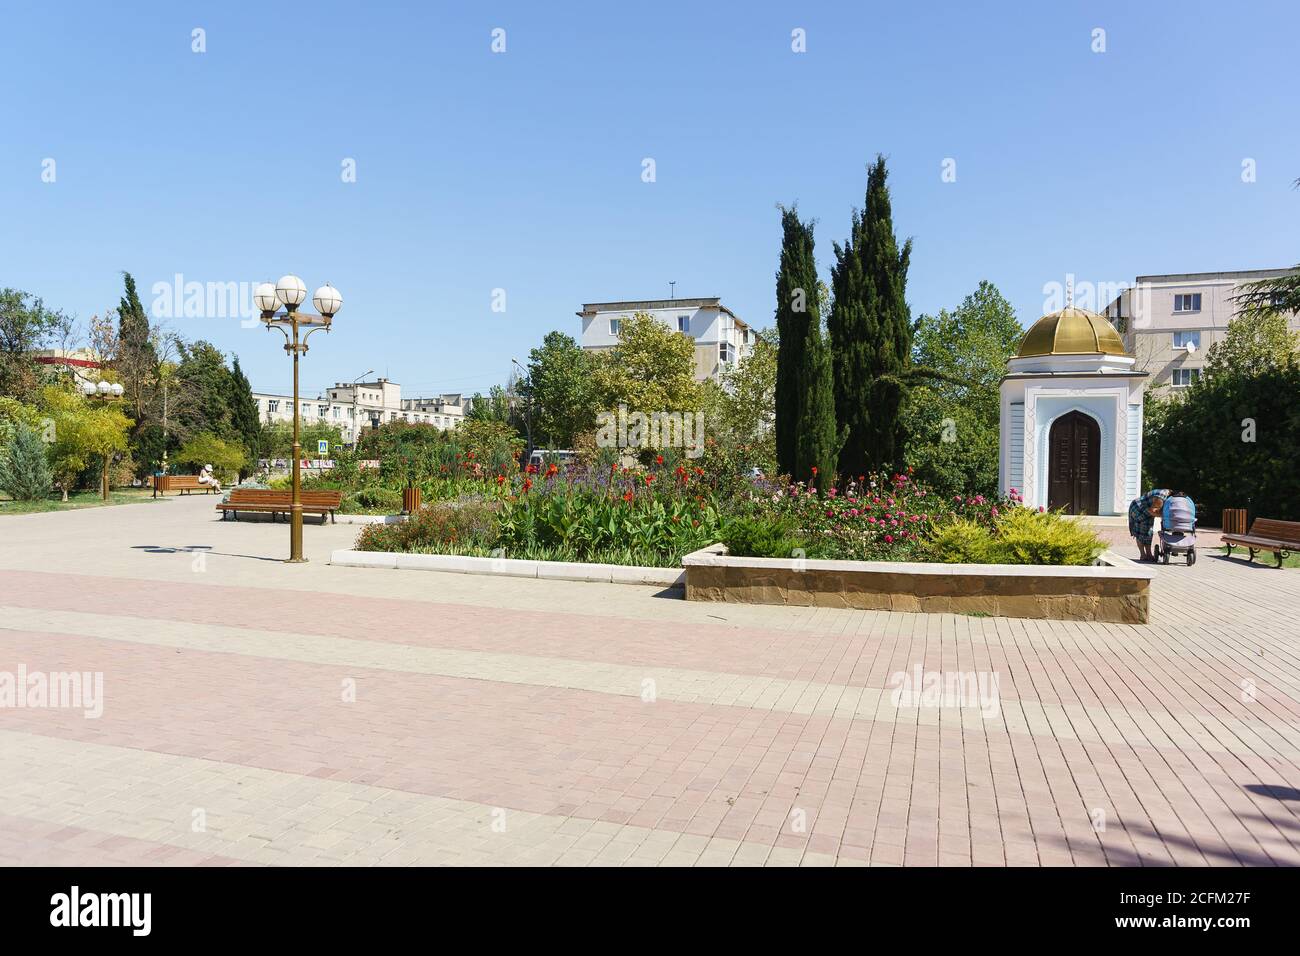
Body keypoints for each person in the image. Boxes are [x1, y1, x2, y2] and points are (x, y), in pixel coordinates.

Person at [1128, 487, 1170, 561]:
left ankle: (1149, 554)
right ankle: (1143, 555)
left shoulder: (1166, 494)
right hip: (1138, 508)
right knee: (1141, 533)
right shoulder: (1161, 497)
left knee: (1149, 532)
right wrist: (1164, 516)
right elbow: (1152, 511)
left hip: (1147, 510)